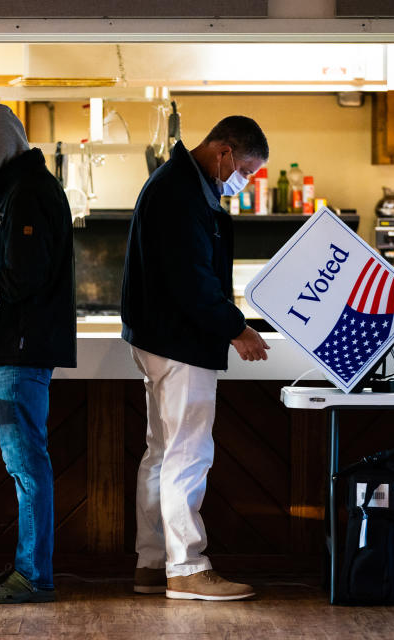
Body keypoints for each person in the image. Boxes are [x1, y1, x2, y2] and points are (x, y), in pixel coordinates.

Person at [121, 116, 271, 601]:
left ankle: (151, 563)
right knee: (188, 454)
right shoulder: (182, 193)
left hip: (160, 337)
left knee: (162, 454)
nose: (244, 180)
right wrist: (236, 328)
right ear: (224, 151)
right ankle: (186, 568)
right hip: (182, 341)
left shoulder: (176, 184)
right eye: (245, 168)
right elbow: (191, 280)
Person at [0, 104, 76, 604]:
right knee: (27, 467)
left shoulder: (26, 193)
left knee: (27, 467)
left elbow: (23, 276)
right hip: (18, 350)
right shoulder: (24, 189)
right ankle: (31, 571)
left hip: (18, 352)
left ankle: (32, 576)